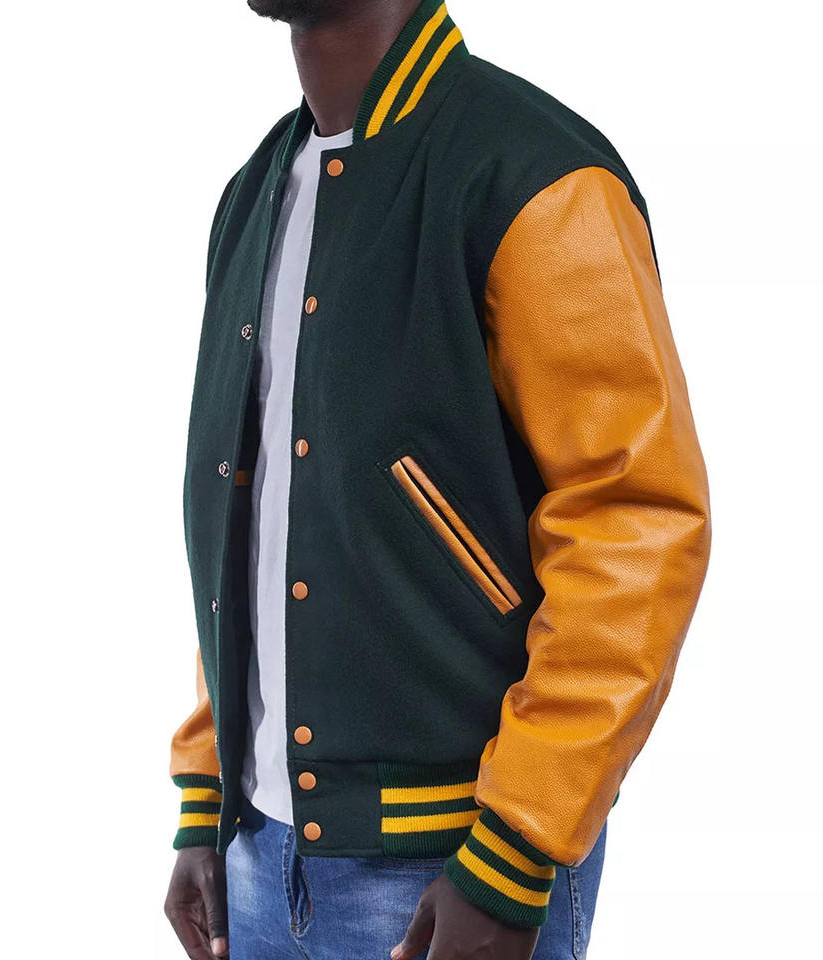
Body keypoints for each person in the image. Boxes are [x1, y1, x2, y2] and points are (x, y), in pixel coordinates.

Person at [163, 1, 711, 957]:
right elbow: (248, 527)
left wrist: (517, 846)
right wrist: (208, 792)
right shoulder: (254, 192)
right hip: (251, 859)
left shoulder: (530, 171)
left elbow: (635, 518)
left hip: (452, 865)